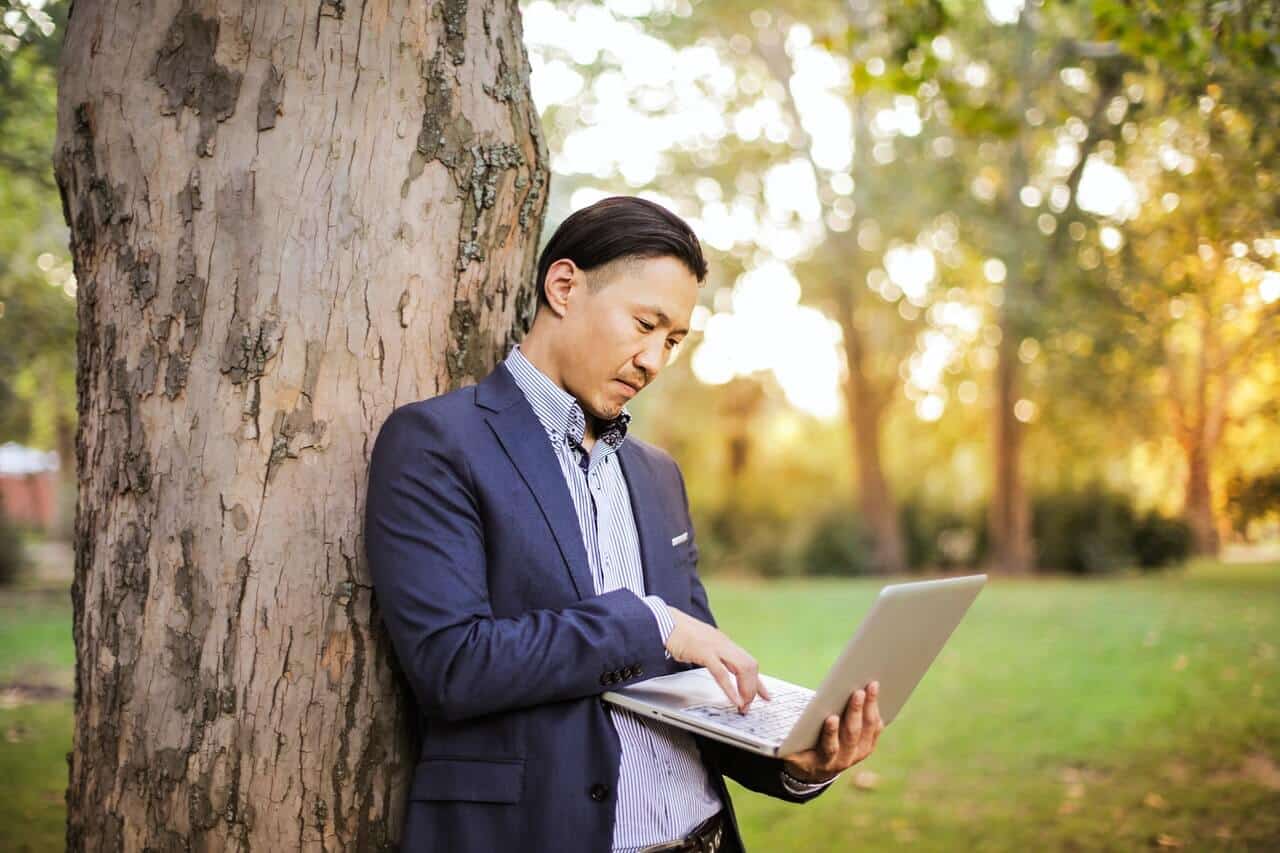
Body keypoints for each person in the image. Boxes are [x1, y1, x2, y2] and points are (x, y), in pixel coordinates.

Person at [364, 196, 884, 853]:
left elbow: (693, 686)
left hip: (706, 836)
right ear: (564, 286)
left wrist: (795, 760)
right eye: (645, 323)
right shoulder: (438, 440)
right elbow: (454, 665)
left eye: (672, 340)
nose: (654, 360)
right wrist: (653, 621)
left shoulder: (658, 475)